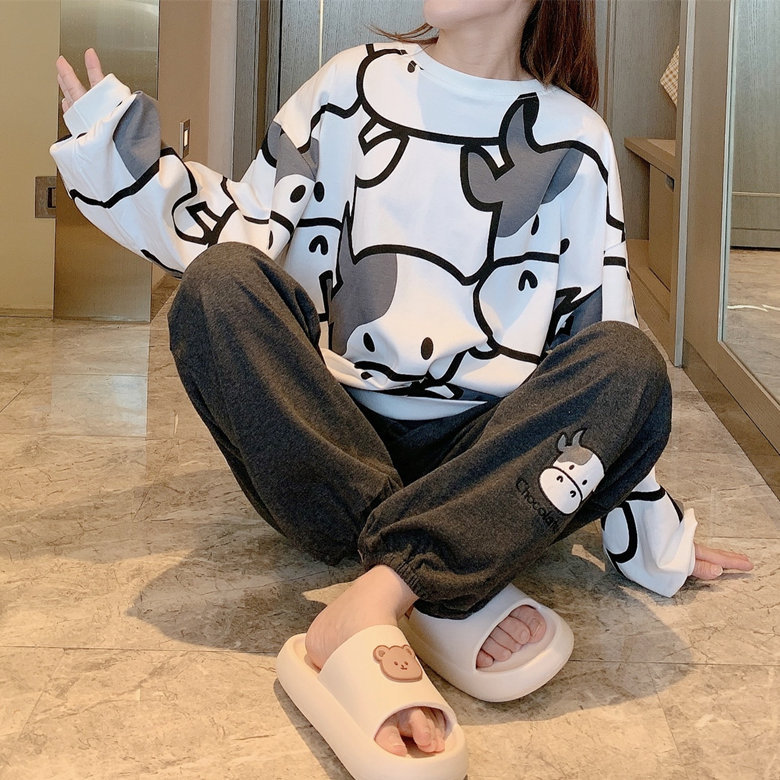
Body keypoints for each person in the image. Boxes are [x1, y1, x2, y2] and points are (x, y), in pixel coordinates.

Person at [54, 0, 752, 768]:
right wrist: (112, 151)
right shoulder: (349, 85)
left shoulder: (573, 138)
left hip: (485, 451)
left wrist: (651, 532)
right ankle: (444, 573)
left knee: (630, 363)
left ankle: (377, 594)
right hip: (339, 440)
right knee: (218, 285)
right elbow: (239, 225)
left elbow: (596, 329)